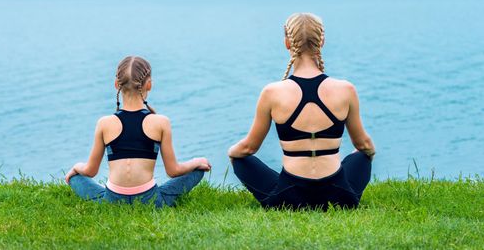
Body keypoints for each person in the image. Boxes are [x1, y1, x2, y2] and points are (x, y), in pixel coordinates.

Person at [228, 13, 375, 210]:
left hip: (288, 198)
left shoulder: (272, 92)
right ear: (322, 41)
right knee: (361, 154)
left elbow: (248, 148)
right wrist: (367, 152)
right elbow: (363, 143)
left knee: (239, 158)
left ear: (287, 43)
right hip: (340, 196)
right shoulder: (345, 89)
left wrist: (232, 153)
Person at [65, 56, 211, 207]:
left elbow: (90, 171)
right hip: (151, 200)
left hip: (111, 201)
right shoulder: (161, 122)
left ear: (117, 84)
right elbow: (173, 171)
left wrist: (77, 167)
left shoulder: (104, 123)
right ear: (149, 85)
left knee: (76, 178)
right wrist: (196, 162)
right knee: (198, 170)